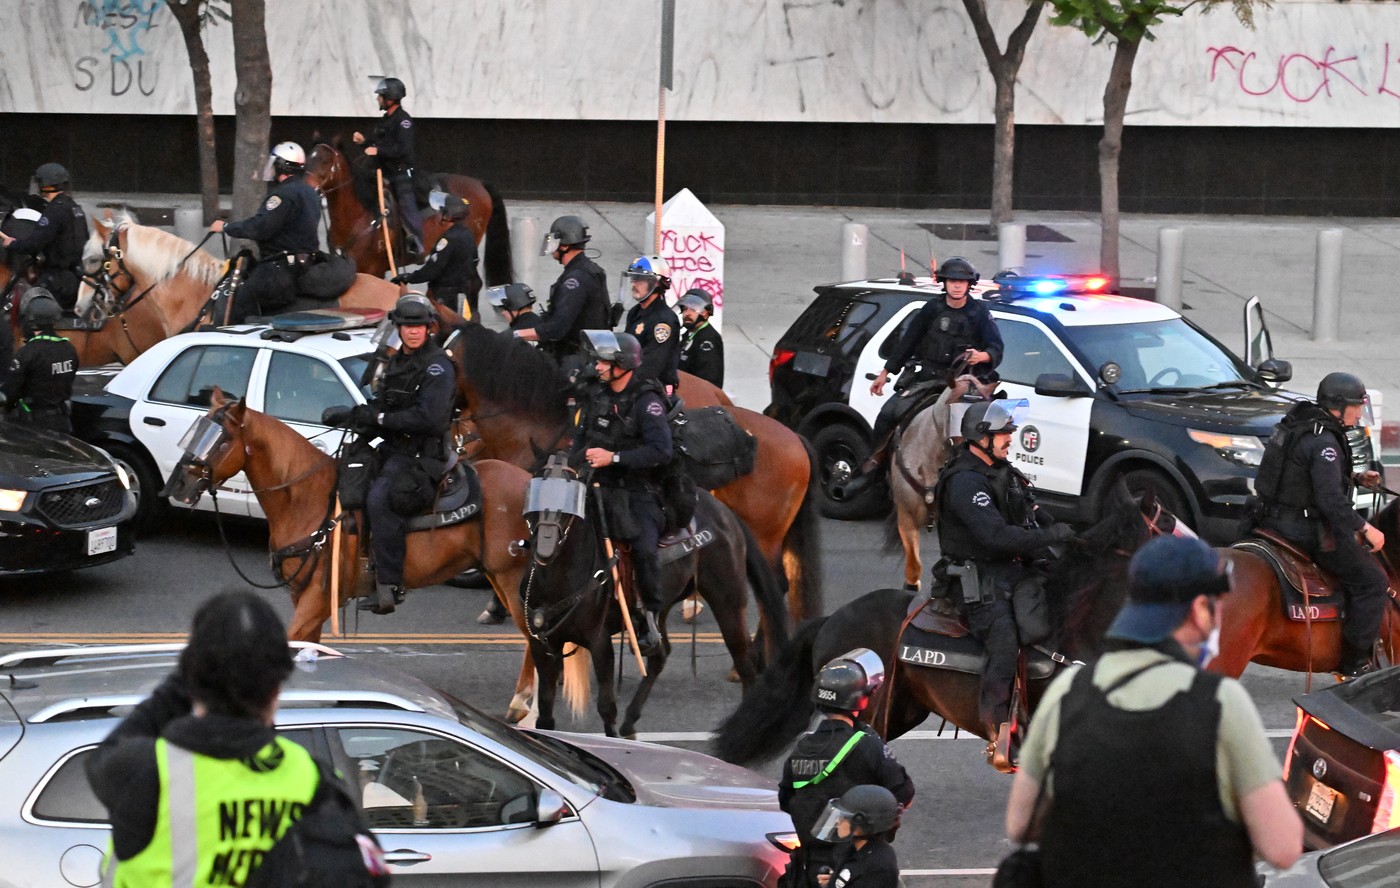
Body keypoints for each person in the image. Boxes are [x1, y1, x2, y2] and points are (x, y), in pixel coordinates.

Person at [1006, 535, 1303, 886]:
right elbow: (1282, 847)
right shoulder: (1220, 704)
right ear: (1198, 610)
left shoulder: (1068, 692)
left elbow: (1020, 825)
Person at [85, 589, 385, 887]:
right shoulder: (316, 781)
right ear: (276, 690)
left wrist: (190, 677)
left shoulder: (145, 772)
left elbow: (106, 755)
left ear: (192, 679)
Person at [933, 399, 1075, 771]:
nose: (1011, 437)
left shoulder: (1000, 469)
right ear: (982, 437)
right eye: (1004, 433)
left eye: (1011, 431)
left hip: (1011, 568)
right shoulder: (965, 481)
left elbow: (1030, 510)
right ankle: (999, 728)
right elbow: (995, 536)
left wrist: (1063, 534)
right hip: (977, 580)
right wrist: (1049, 536)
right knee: (1005, 636)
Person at [834, 256, 1003, 501]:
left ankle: (996, 484)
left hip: (964, 382)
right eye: (952, 281)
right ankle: (870, 472)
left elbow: (997, 347)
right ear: (944, 283)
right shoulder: (931, 309)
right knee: (888, 414)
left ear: (970, 285)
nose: (957, 286)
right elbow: (907, 342)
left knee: (992, 426)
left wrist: (983, 355)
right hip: (928, 378)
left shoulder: (979, 313)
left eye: (962, 282)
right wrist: (885, 373)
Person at [327, 294, 455, 616]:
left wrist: (381, 420)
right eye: (407, 326)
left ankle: (390, 583)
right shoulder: (395, 363)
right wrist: (355, 416)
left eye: (419, 326)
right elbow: (384, 406)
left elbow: (432, 419)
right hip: (394, 447)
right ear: (398, 327)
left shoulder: (438, 366)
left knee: (380, 498)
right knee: (348, 477)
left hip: (422, 456)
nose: (413, 332)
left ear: (429, 328)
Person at [1254, 371, 1388, 677]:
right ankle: (1356, 663)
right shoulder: (1325, 442)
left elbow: (1301, 477)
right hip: (1301, 529)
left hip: (1269, 519)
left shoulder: (1303, 425)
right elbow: (1330, 503)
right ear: (1338, 406)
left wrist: (1355, 477)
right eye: (1356, 405)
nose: (1358, 412)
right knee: (1373, 582)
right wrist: (1365, 528)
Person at [570, 330, 672, 657]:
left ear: (622, 365)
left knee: (642, 547)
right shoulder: (598, 395)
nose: (597, 366)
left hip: (637, 490)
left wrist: (614, 458)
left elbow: (661, 451)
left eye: (603, 361)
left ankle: (649, 617)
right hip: (596, 483)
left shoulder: (647, 402)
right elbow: (582, 438)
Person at [779, 649, 914, 888]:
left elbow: (786, 799)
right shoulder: (866, 745)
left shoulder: (801, 748)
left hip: (807, 868)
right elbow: (903, 792)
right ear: (859, 700)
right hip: (855, 863)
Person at [210, 142, 320, 323]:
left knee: (243, 299)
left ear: (281, 166)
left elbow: (261, 227)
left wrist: (226, 227)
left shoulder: (282, 195)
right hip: (308, 263)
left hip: (281, 267)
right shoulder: (309, 192)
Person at [516, 215, 610, 365]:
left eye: (555, 240)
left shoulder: (576, 280)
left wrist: (516, 335)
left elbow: (558, 328)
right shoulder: (589, 270)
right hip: (585, 356)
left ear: (565, 245)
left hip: (575, 360)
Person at [0, 163, 90, 311]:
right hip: (77, 277)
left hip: (57, 279)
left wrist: (12, 244)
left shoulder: (55, 210)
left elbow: (35, 244)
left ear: (45, 184)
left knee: (26, 305)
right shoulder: (76, 208)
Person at [353, 76, 423, 257]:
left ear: (390, 99)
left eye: (380, 96)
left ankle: (417, 244)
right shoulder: (385, 120)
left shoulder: (403, 121)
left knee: (407, 206)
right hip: (381, 172)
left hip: (399, 173)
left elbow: (403, 149)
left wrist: (378, 151)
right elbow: (377, 144)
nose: (378, 99)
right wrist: (364, 143)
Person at [0, 288, 78, 433]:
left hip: (35, 426)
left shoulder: (27, 353)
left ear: (30, 321)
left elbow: (9, 394)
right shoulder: (69, 349)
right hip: (63, 422)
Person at [393, 192, 480, 318]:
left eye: (440, 212)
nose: (437, 215)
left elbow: (432, 270)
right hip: (461, 291)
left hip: (446, 297)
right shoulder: (466, 233)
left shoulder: (449, 239)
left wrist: (408, 278)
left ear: (447, 215)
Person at [809, 785, 903, 888]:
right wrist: (833, 882)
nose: (838, 821)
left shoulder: (878, 868)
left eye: (844, 817)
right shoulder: (856, 849)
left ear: (861, 823)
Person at [621, 255, 681, 392]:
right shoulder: (634, 312)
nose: (634, 284)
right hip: (633, 384)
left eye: (640, 280)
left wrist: (623, 383)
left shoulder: (664, 321)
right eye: (633, 279)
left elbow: (652, 365)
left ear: (657, 283)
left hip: (654, 389)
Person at [676, 288, 724, 387]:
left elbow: (708, 379)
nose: (687, 313)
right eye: (685, 309)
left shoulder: (708, 339)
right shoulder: (688, 336)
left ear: (705, 313)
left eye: (693, 309)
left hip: (699, 398)